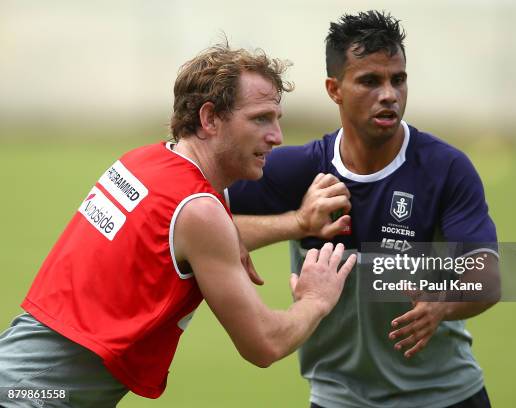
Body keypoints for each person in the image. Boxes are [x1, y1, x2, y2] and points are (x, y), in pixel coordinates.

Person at [0, 44, 356, 407]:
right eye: (260, 118)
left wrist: (296, 223)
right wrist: (315, 299)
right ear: (210, 118)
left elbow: (184, 242)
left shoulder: (142, 162)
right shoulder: (200, 213)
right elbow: (265, 344)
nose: (277, 136)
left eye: (276, 118)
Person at [228, 11, 501, 408]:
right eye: (370, 81)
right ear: (334, 89)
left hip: (446, 396)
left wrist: (445, 301)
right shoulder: (302, 169)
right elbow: (194, 219)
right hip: (340, 399)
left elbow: (487, 271)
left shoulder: (444, 168)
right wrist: (296, 223)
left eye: (398, 79)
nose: (389, 94)